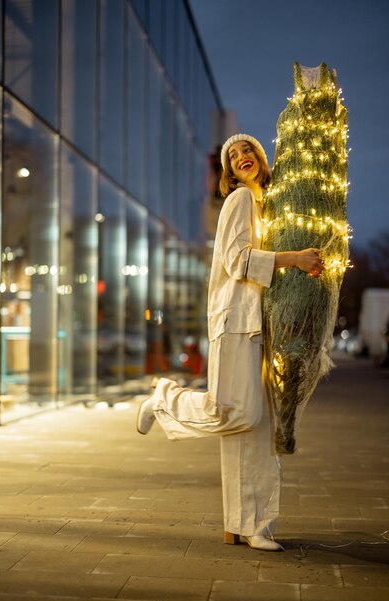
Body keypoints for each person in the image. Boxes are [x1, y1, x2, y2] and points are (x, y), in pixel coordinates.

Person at [136, 133, 324, 551]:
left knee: (255, 428)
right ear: (227, 171)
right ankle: (167, 399)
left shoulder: (262, 206)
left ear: (261, 156)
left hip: (257, 326)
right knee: (234, 414)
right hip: (236, 323)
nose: (241, 157)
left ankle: (252, 524)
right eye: (233, 156)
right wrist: (293, 258)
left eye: (247, 150)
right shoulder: (239, 200)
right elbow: (236, 262)